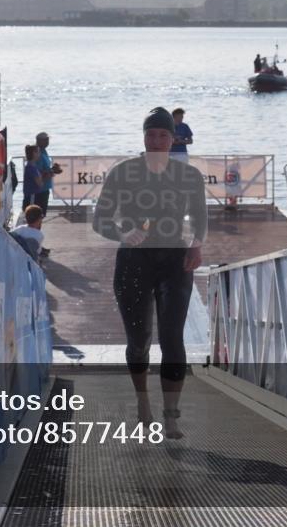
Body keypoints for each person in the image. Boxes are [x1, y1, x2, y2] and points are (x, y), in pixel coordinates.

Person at [92, 107, 208, 439]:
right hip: (133, 263)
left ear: (173, 139)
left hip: (175, 263)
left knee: (173, 340)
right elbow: (100, 219)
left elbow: (199, 217)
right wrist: (123, 234)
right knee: (139, 341)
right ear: (143, 137)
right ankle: (143, 402)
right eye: (150, 134)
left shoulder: (188, 176)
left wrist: (196, 245)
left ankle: (171, 415)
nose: (156, 141)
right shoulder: (123, 172)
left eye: (162, 135)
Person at [33, 131, 62, 217]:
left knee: (42, 214)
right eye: (46, 140)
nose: (47, 142)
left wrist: (52, 169)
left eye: (48, 140)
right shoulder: (37, 153)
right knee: (38, 215)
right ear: (39, 141)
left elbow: (44, 169)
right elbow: (37, 173)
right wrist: (53, 171)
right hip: (38, 190)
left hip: (44, 188)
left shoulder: (43, 151)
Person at [22, 145, 44, 212]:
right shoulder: (31, 168)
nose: (39, 154)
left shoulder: (32, 166)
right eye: (38, 152)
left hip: (33, 195)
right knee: (32, 214)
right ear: (34, 153)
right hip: (32, 196)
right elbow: (39, 183)